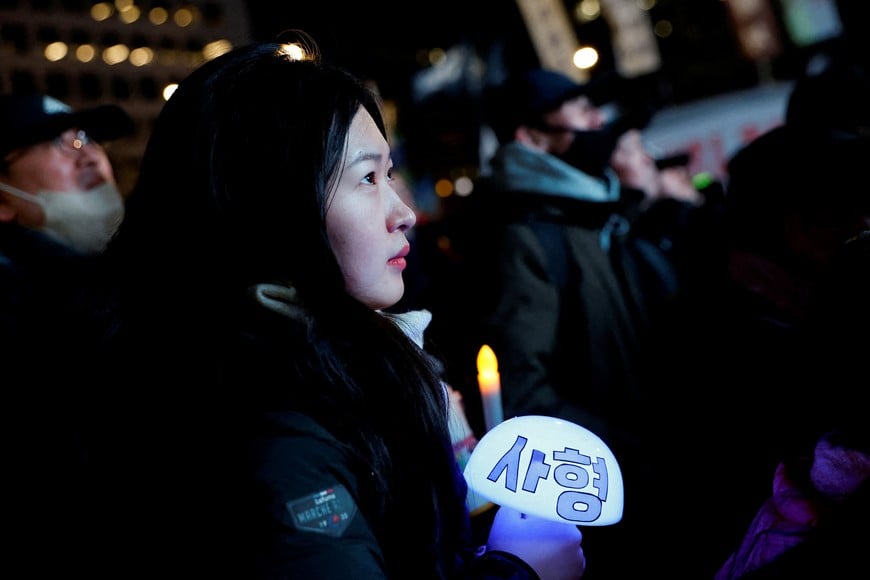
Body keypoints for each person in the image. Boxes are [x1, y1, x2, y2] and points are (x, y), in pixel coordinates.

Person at [84, 36, 587, 579]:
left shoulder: (350, 369)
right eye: (367, 178)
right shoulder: (270, 419)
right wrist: (518, 570)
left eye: (390, 174)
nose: (403, 213)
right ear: (274, 206)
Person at [0, 92, 133, 573]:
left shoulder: (118, 288)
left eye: (87, 137)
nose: (88, 152)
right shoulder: (21, 314)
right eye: (59, 142)